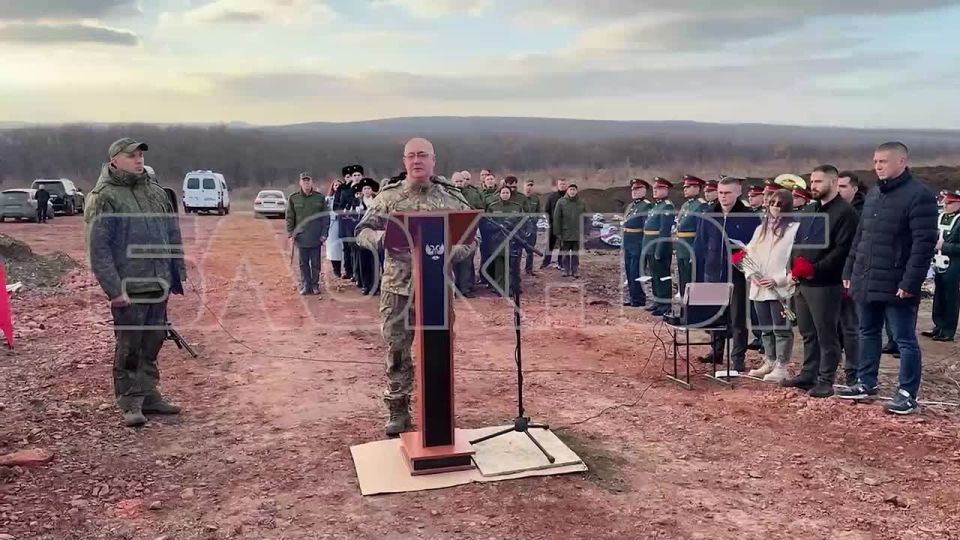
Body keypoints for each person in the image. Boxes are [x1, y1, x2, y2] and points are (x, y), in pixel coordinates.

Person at [355, 137, 474, 436]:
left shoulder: (452, 198)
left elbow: (472, 239)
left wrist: (447, 253)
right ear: (404, 161)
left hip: (437, 286)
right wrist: (382, 240)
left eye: (423, 155)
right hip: (398, 288)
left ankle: (438, 410)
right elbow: (362, 232)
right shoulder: (389, 197)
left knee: (438, 349)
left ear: (434, 160)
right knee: (397, 348)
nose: (417, 160)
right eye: (411, 156)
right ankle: (398, 409)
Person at [85, 138, 186, 427]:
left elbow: (171, 233)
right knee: (129, 346)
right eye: (131, 155)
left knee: (153, 342)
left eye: (140, 155)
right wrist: (114, 290)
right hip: (129, 287)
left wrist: (176, 273)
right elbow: (99, 248)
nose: (138, 159)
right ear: (114, 160)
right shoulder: (104, 196)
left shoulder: (155, 191)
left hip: (158, 282)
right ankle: (130, 401)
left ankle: (149, 394)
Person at [840, 142, 938, 415]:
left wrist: (910, 282)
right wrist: (849, 271)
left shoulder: (920, 196)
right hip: (866, 278)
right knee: (867, 332)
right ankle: (865, 382)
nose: (877, 166)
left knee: (904, 339)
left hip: (897, 283)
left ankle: (907, 393)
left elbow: (923, 244)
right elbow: (860, 238)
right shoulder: (873, 195)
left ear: (902, 162)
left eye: (883, 161)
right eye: (875, 161)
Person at [779, 165, 858, 397]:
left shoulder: (846, 213)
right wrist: (794, 267)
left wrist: (814, 269)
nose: (813, 186)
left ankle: (826, 379)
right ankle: (808, 373)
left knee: (827, 335)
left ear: (833, 183)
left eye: (818, 182)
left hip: (826, 283)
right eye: (811, 181)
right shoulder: (810, 209)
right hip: (803, 282)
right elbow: (799, 243)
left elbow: (841, 251)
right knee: (808, 332)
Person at [693, 177, 761, 371]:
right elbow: (700, 245)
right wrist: (700, 274)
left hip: (737, 274)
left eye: (728, 193)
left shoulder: (749, 216)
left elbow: (755, 246)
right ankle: (716, 352)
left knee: (738, 318)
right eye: (721, 192)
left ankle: (738, 358)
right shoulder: (708, 214)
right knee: (715, 315)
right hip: (712, 272)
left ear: (738, 192)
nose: (723, 196)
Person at [742, 189, 799, 382]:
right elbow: (748, 253)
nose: (775, 207)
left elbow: (795, 260)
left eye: (779, 204)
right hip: (759, 286)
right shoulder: (761, 229)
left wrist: (778, 279)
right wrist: (752, 274)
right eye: (772, 203)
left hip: (780, 287)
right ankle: (770, 360)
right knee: (765, 327)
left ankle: (782, 365)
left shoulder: (794, 229)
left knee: (781, 328)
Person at [836, 170, 865, 385]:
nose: (839, 190)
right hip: (830, 275)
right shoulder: (832, 210)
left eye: (843, 186)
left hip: (852, 275)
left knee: (850, 327)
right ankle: (830, 369)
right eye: (837, 186)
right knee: (832, 326)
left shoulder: (863, 211)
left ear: (854, 189)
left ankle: (853, 372)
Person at [286, 173, 330, 296]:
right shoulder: (293, 198)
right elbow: (290, 217)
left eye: (308, 181)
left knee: (315, 263)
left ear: (312, 182)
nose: (306, 183)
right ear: (300, 183)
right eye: (304, 181)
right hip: (301, 236)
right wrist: (290, 233)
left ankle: (315, 285)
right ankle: (306, 285)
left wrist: (324, 234)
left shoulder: (319, 198)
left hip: (316, 235)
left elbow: (325, 218)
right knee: (303, 263)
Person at [926, 190, 960, 341]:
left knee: (950, 297)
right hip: (938, 261)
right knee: (938, 295)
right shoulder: (941, 217)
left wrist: (944, 246)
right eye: (944, 202)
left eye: (949, 203)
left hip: (954, 263)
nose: (945, 205)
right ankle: (938, 326)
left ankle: (948, 329)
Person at [643, 178, 675, 316]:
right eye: (654, 188)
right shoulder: (656, 206)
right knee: (654, 276)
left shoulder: (667, 206)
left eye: (658, 188)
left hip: (659, 245)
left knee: (663, 276)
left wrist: (659, 250)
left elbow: (664, 230)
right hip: (650, 244)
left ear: (666, 190)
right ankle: (657, 301)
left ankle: (665, 304)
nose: (655, 191)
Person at [486, 185, 525, 295]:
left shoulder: (517, 207)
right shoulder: (493, 207)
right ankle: (500, 288)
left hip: (513, 240)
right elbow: (487, 223)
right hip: (497, 240)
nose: (505, 195)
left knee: (513, 266)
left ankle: (512, 288)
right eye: (503, 193)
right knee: (499, 266)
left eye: (507, 193)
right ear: (499, 194)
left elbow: (522, 222)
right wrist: (498, 227)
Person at [451, 171, 484, 297]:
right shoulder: (448, 195)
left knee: (467, 262)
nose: (459, 184)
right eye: (457, 181)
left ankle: (465, 288)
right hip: (452, 232)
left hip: (467, 231)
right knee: (452, 262)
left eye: (461, 181)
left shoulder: (470, 194)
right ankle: (454, 289)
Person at [622, 179, 652, 307]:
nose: (634, 192)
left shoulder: (646, 205)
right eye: (633, 189)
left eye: (638, 189)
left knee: (636, 271)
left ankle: (639, 298)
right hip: (628, 242)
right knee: (629, 271)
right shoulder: (631, 206)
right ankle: (633, 297)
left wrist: (644, 245)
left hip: (638, 243)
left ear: (644, 190)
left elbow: (646, 227)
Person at [675, 175, 706, 296]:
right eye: (685, 187)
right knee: (683, 278)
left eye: (688, 187)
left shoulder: (700, 205)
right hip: (682, 247)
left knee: (692, 279)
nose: (685, 189)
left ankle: (691, 309)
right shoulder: (686, 205)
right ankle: (684, 308)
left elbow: (701, 231)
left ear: (697, 188)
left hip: (691, 246)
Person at [334, 165, 364, 280]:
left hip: (362, 223)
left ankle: (359, 274)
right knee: (348, 248)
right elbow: (338, 206)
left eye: (358, 175)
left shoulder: (366, 187)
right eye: (354, 175)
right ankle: (350, 271)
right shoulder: (344, 190)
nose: (356, 177)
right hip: (347, 222)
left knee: (360, 249)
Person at [553, 183, 587, 278]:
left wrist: (585, 231)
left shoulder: (581, 203)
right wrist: (557, 232)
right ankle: (566, 270)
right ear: (567, 191)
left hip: (577, 233)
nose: (572, 191)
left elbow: (586, 217)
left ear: (577, 191)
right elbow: (556, 218)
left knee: (575, 253)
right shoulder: (561, 202)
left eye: (574, 190)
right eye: (570, 189)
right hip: (565, 233)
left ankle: (575, 270)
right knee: (565, 253)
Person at [355, 177, 382, 295]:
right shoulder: (356, 202)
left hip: (375, 233)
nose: (366, 190)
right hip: (361, 233)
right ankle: (366, 285)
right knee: (364, 260)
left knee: (375, 261)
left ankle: (375, 285)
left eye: (369, 188)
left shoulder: (378, 202)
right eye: (364, 188)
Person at [542, 178, 569, 270]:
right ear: (557, 185)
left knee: (563, 245)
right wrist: (550, 222)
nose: (562, 186)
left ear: (567, 185)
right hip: (554, 224)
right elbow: (547, 210)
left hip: (565, 225)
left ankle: (561, 263)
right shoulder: (552, 197)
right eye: (560, 184)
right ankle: (546, 262)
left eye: (564, 184)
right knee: (550, 244)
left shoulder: (569, 197)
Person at [521, 179, 541, 276]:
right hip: (521, 228)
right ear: (523, 185)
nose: (529, 187)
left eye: (531, 185)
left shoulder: (535, 199)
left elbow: (538, 212)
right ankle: (516, 270)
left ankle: (529, 269)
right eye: (528, 185)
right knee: (518, 250)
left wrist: (534, 221)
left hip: (532, 228)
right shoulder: (519, 198)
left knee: (531, 249)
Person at [325, 181, 344, 278]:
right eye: (336, 185)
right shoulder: (328, 199)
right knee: (334, 248)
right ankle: (336, 269)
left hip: (343, 223)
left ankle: (346, 269)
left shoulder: (344, 197)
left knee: (343, 247)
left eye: (339, 185)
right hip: (333, 224)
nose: (337, 186)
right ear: (332, 187)